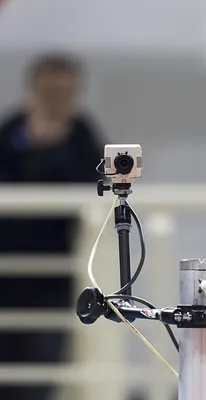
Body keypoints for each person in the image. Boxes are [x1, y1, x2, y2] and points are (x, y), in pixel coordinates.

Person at [0, 53, 105, 400]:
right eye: (48, 93)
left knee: (42, 369)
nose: (56, 103)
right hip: (7, 270)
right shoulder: (11, 130)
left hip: (54, 276)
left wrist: (55, 146)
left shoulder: (81, 135)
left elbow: (92, 188)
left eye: (64, 94)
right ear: (31, 91)